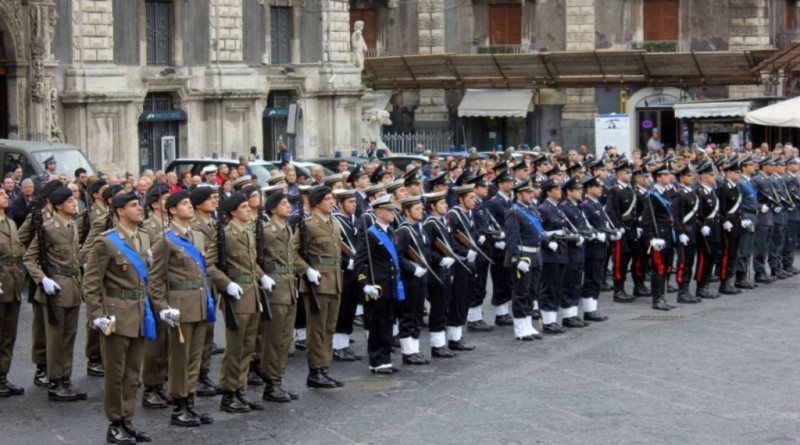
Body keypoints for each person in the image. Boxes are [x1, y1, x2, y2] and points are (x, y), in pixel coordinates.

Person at [83, 192, 153, 444]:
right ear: (120, 211)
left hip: (139, 312)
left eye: (139, 204)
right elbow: (91, 283)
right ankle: (114, 423)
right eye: (134, 205)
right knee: (116, 373)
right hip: (117, 314)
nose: (139, 209)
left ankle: (127, 418)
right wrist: (97, 315)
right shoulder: (107, 242)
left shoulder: (144, 236)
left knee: (133, 372)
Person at [148, 191, 215, 427]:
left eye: (189, 203)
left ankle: (190, 401)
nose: (189, 206)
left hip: (198, 303)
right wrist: (162, 307)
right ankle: (179, 406)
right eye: (184, 204)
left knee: (195, 357)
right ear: (173, 210)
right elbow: (155, 280)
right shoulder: (165, 240)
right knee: (180, 359)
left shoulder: (196, 236)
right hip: (180, 307)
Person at [207, 192, 272, 414]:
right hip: (236, 295)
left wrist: (262, 277)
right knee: (235, 348)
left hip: (252, 293)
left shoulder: (249, 232)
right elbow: (210, 264)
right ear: (233, 211)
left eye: (247, 206)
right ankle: (228, 393)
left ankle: (240, 390)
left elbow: (252, 263)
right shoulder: (225, 234)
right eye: (243, 207)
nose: (248, 209)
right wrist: (226, 284)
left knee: (248, 347)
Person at [23, 186, 87, 402]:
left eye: (74, 200)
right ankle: (54, 381)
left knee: (69, 337)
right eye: (69, 201)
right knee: (55, 340)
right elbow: (29, 258)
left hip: (73, 287)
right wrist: (42, 279)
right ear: (58, 205)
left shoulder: (72, 226)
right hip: (56, 289)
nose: (74, 203)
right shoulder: (48, 228)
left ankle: (65, 378)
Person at [292, 186, 344, 388]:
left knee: (329, 328)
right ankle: (314, 371)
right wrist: (306, 270)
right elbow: (292, 253)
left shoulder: (335, 222)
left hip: (334, 281)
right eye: (328, 199)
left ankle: (324, 367)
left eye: (332, 198)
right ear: (317, 203)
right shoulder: (308, 225)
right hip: (317, 283)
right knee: (317, 329)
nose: (332, 202)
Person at [259, 191, 301, 403]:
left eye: (289, 203)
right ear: (273, 209)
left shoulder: (288, 229)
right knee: (273, 339)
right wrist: (263, 277)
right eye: (284, 204)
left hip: (289, 287)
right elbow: (255, 258)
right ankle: (270, 382)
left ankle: (278, 378)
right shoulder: (266, 231)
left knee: (285, 339)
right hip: (275, 288)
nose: (288, 206)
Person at [355, 194, 402, 374]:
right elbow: (360, 261)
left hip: (390, 286)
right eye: (389, 210)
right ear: (380, 212)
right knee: (377, 325)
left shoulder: (390, 231)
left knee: (388, 322)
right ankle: (376, 360)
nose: (393, 213)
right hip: (377, 287)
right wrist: (364, 284)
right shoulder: (371, 234)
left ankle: (385, 359)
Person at [139, 184, 173, 409]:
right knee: (155, 342)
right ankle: (151, 386)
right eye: (165, 199)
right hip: (155, 286)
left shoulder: (171, 224)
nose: (169, 202)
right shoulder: (147, 227)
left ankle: (161, 382)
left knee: (169, 340)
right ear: (154, 203)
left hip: (173, 287)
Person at [188, 187, 223, 398]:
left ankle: (204, 372)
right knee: (200, 332)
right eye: (209, 199)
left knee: (209, 332)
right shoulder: (194, 226)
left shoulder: (214, 223)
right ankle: (195, 375)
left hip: (213, 282)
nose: (214, 201)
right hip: (200, 281)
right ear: (198, 204)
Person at [503, 180, 544, 340]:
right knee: (521, 292)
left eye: (531, 192)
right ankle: (520, 328)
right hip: (523, 257)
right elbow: (511, 239)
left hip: (535, 256)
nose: (531, 195)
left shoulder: (532, 209)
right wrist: (516, 259)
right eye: (527, 192)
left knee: (532, 292)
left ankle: (528, 325)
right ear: (519, 194)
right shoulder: (514, 212)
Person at [394, 195, 432, 365]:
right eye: (417, 209)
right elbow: (398, 256)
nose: (421, 211)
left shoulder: (420, 227)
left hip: (420, 277)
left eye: (421, 208)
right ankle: (408, 352)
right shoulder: (403, 230)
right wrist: (412, 268)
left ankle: (415, 349)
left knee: (417, 313)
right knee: (407, 314)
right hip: (409, 278)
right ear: (407, 212)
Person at [421, 191, 457, 358]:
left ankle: (442, 342)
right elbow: (426, 249)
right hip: (436, 271)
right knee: (437, 307)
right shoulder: (430, 224)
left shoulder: (442, 222)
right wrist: (440, 260)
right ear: (432, 206)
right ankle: (437, 345)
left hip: (445, 269)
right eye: (441, 204)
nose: (446, 206)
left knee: (444, 304)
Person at [331, 189, 363, 362]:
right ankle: (337, 346)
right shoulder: (335, 221)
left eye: (355, 202)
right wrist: (346, 262)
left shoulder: (355, 221)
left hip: (355, 271)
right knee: (341, 309)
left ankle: (344, 344)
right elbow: (332, 249)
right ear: (340, 204)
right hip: (342, 271)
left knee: (350, 307)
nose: (354, 205)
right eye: (350, 202)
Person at [641, 165, 677, 311]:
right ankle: (657, 299)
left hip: (668, 234)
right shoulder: (652, 196)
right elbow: (647, 219)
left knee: (667, 267)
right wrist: (651, 238)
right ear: (658, 177)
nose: (669, 177)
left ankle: (663, 296)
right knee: (659, 268)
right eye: (665, 174)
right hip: (658, 236)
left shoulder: (666, 193)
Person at [580, 176, 616, 321]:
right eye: (597, 186)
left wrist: (611, 231)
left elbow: (603, 222)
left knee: (598, 278)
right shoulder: (586, 205)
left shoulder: (596, 204)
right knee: (592, 278)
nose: (601, 189)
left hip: (601, 245)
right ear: (589, 188)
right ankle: (589, 310)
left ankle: (593, 308)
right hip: (592, 246)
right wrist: (596, 235)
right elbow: (585, 225)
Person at [0, 188, 24, 397]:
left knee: (9, 334)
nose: (6, 196)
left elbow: (18, 251)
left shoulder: (9, 223)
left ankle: (3, 375)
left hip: (13, 282)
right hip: (0, 280)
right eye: (0, 194)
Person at [485, 171, 515, 326]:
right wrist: (496, 240)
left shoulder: (509, 201)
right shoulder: (494, 202)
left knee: (508, 278)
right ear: (500, 184)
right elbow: (489, 224)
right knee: (500, 279)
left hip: (508, 244)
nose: (511, 184)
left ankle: (504, 311)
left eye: (511, 181)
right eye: (508, 181)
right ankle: (500, 313)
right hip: (499, 247)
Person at [671, 166, 701, 304]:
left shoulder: (693, 193)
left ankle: (687, 289)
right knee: (683, 263)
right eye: (689, 176)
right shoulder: (679, 194)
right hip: (684, 233)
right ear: (681, 177)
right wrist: (681, 233)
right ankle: (682, 291)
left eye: (692, 176)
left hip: (693, 233)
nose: (692, 178)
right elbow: (676, 217)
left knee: (690, 262)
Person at [694, 161, 722, 300]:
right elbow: (696, 214)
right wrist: (701, 226)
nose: (714, 177)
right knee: (704, 259)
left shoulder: (711, 192)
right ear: (704, 177)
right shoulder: (699, 193)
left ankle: (705, 284)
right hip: (704, 232)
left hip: (714, 231)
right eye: (711, 175)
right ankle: (700, 286)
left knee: (711, 259)